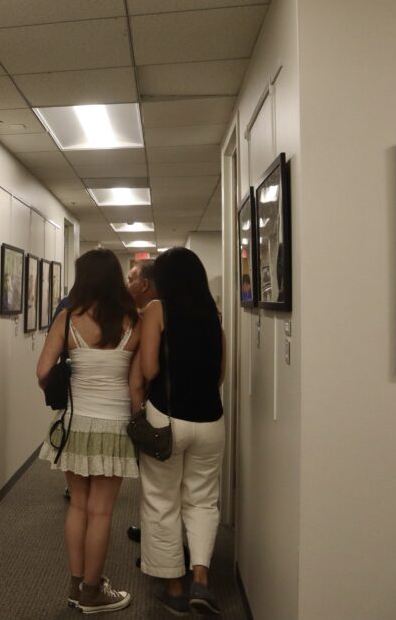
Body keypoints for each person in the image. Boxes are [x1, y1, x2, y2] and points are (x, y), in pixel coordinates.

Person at [36, 249, 144, 614]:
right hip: (114, 427)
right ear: (116, 278)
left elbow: (42, 373)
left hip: (76, 424)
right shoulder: (133, 320)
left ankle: (75, 584)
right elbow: (136, 383)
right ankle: (93, 591)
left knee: (79, 506)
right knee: (101, 513)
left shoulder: (68, 319)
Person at [137, 247, 225, 616]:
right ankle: (201, 580)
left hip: (167, 419)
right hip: (210, 420)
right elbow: (220, 375)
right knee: (203, 499)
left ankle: (173, 586)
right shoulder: (213, 315)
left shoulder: (157, 309)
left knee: (162, 499)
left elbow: (150, 368)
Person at [124, 259, 156, 544]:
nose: (127, 282)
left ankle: (158, 547)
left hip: (155, 407)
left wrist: (137, 415)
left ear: (144, 284)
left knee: (158, 483)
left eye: (131, 278)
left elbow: (143, 373)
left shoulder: (151, 316)